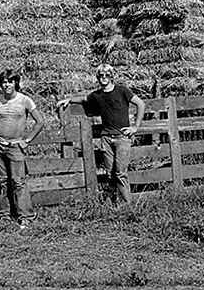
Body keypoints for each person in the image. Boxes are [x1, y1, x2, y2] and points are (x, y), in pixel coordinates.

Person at [57, 63, 146, 204]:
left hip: (122, 137)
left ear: (112, 76)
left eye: (107, 75)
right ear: (97, 77)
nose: (104, 78)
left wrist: (135, 127)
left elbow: (141, 104)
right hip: (106, 138)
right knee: (110, 173)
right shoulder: (97, 95)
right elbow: (84, 99)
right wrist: (68, 100)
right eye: (101, 75)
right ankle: (113, 203)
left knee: (120, 173)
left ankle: (127, 206)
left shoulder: (122, 91)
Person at [0, 69, 46, 230]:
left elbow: (40, 121)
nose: (7, 85)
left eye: (10, 81)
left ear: (16, 83)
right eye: (4, 82)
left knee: (18, 182)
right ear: (0, 85)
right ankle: (4, 214)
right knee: (3, 181)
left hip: (15, 146)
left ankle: (26, 216)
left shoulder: (25, 101)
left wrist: (27, 140)